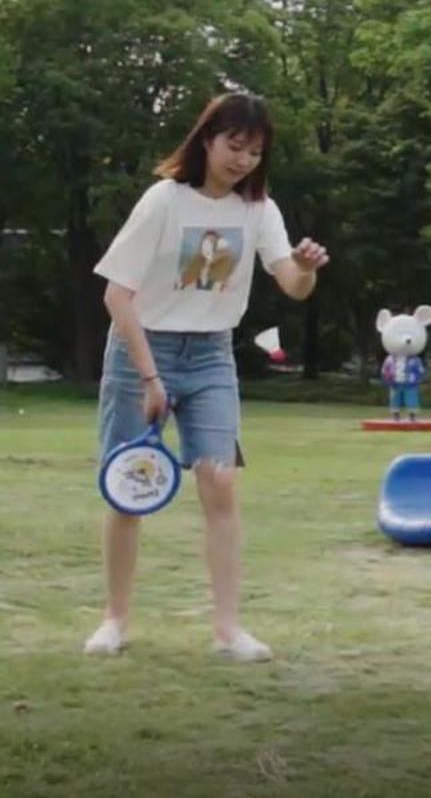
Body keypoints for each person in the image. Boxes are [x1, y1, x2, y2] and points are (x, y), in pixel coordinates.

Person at [85, 93, 329, 662]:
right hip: (141, 348)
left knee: (219, 483)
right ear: (207, 141)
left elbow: (291, 283)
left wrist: (307, 268)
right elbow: (116, 295)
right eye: (233, 145)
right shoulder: (163, 201)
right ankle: (114, 620)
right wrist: (150, 379)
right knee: (129, 488)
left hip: (213, 354)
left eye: (255, 151)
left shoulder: (259, 210)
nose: (242, 159)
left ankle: (227, 631)